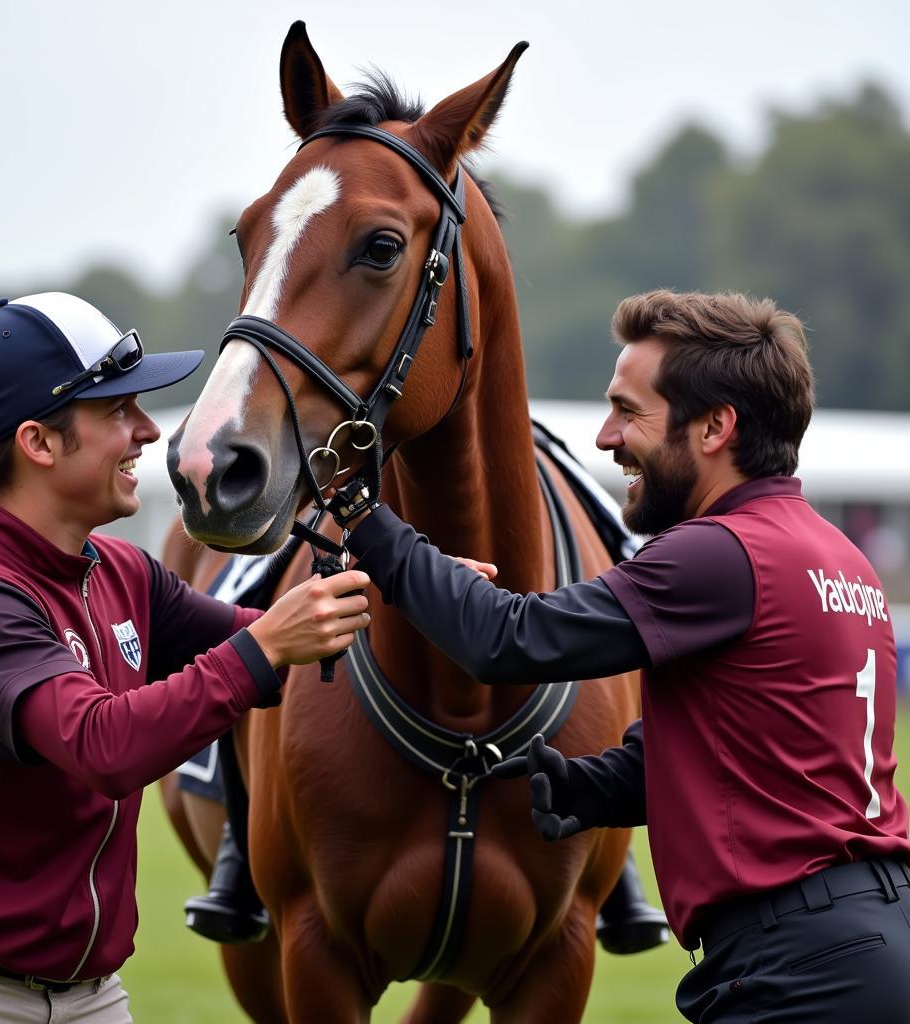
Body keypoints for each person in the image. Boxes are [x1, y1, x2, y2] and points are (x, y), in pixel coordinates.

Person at [335, 289, 910, 1022]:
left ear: (715, 427)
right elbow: (755, 756)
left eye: (629, 410)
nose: (607, 437)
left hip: (799, 967)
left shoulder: (718, 553)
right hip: (869, 941)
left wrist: (365, 518)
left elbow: (508, 637)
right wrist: (588, 788)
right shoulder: (841, 558)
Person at [0, 292, 369, 1023]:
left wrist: (417, 594)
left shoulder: (119, 569)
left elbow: (266, 640)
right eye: (116, 411)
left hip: (93, 997)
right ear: (38, 444)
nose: (147, 431)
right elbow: (104, 744)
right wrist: (265, 646)